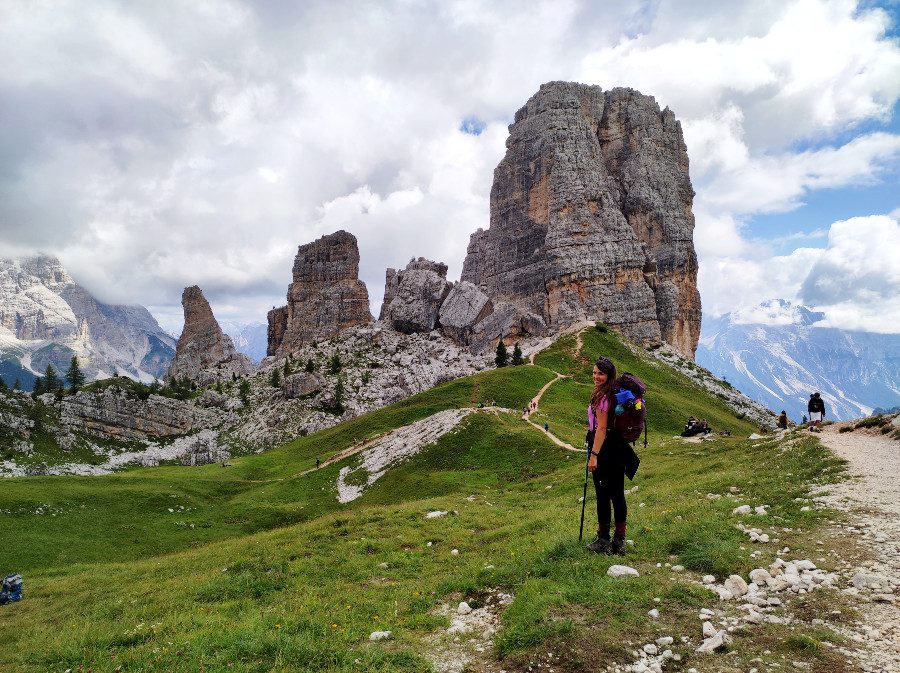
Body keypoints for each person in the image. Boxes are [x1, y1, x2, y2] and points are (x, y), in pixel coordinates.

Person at [585, 357, 629, 556]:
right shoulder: (613, 393)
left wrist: (594, 455)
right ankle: (619, 541)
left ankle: (604, 541)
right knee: (618, 494)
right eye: (594, 372)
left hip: (605, 450)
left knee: (603, 495)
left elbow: (601, 428)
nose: (596, 376)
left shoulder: (602, 397)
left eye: (600, 373)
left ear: (609, 375)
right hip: (619, 448)